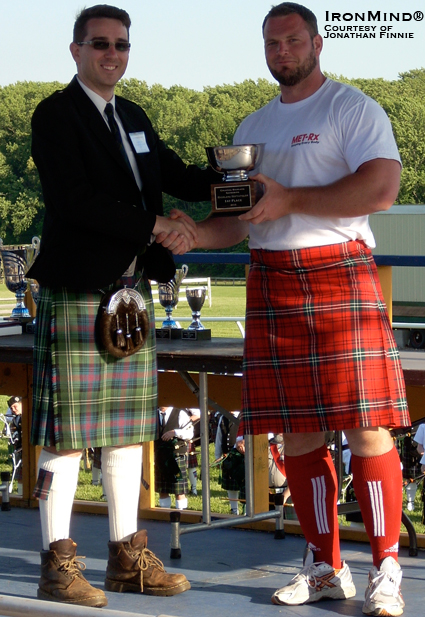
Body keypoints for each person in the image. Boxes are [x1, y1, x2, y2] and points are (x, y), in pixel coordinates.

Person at [166, 3, 411, 614]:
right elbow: (240, 220)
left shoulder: (352, 107)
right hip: (273, 278)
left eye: (292, 40)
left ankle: (385, 568)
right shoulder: (255, 126)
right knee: (299, 437)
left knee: (366, 427)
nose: (282, 52)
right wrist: (193, 234)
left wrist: (290, 199)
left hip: (339, 273)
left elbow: (382, 189)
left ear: (317, 42)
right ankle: (325, 565)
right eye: (272, 43)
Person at [27, 4, 218, 608]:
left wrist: (240, 176)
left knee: (128, 431)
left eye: (122, 45)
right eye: (101, 44)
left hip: (129, 292)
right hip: (79, 289)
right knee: (65, 436)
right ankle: (58, 564)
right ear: (76, 50)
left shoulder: (133, 115)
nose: (113, 54)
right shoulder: (55, 115)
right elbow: (75, 201)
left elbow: (178, 174)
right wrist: (154, 225)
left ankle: (126, 559)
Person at [155, 406, 194, 509]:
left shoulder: (180, 413)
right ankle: (164, 515)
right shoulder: (153, 413)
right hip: (159, 457)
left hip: (176, 456)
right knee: (162, 490)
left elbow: (190, 433)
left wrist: (175, 432)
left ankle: (182, 515)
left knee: (179, 491)